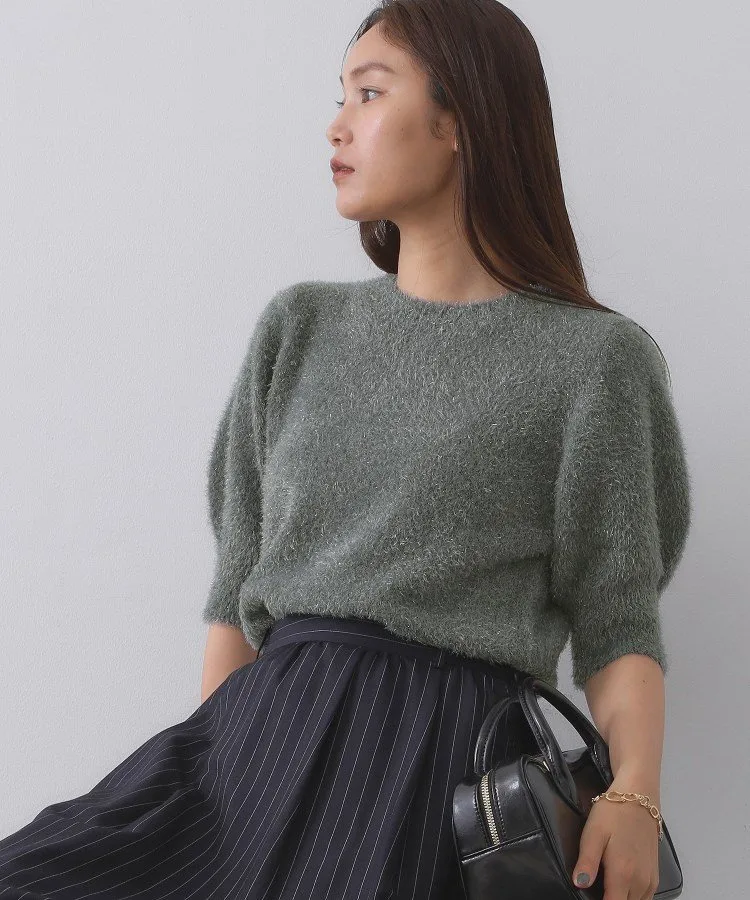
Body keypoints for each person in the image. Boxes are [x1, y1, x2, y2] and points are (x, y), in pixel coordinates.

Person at [0, 2, 692, 899]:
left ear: (459, 119)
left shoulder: (595, 361)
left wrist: (634, 794)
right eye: (340, 97)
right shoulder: (300, 328)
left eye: (369, 93)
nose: (336, 125)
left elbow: (616, 617)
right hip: (257, 744)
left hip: (432, 766)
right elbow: (236, 599)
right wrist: (220, 780)